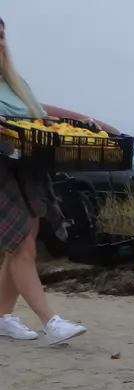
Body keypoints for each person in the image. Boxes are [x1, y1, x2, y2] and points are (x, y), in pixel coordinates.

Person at [0, 16, 86, 344]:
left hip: (26, 166)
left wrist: (84, 120)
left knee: (21, 244)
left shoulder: (14, 82)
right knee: (21, 244)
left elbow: (41, 116)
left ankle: (1, 316)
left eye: (2, 34)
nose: (0, 40)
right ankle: (51, 322)